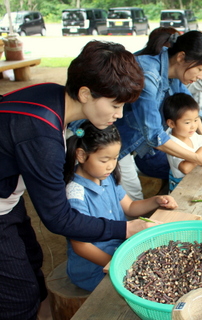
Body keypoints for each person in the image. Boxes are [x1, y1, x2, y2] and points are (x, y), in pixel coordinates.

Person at [0, 40, 151, 320]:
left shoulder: (54, 95)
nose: (119, 116)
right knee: (17, 296)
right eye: (116, 105)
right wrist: (124, 229)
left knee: (33, 262)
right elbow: (58, 219)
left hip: (9, 197)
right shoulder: (43, 138)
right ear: (84, 93)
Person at [113, 30, 202, 201]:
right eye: (200, 69)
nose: (200, 77)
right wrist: (201, 159)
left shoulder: (174, 72)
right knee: (132, 201)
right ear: (181, 57)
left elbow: (189, 106)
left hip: (129, 144)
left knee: (134, 197)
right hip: (111, 144)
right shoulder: (149, 75)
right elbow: (155, 136)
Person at [64, 121, 178, 291]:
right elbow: (81, 246)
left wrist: (155, 200)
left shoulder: (105, 176)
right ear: (81, 155)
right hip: (95, 269)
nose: (111, 165)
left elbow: (130, 207)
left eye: (115, 158)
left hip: (121, 252)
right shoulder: (75, 194)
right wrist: (118, 265)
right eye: (104, 159)